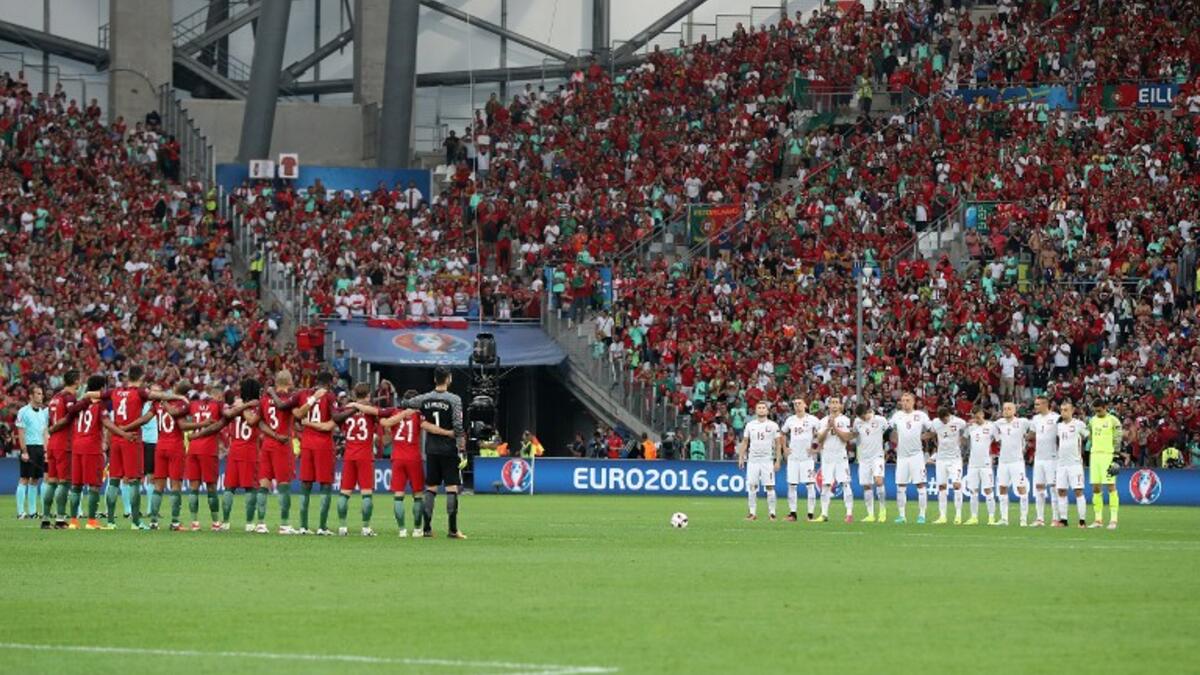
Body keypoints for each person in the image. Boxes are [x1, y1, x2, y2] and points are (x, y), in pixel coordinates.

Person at [105, 366, 187, 529]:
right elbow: (182, 424)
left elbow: (144, 417)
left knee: (117, 480)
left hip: (126, 437)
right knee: (142, 480)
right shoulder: (145, 395)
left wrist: (121, 429)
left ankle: (112, 521)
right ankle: (142, 521)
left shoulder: (118, 392)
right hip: (140, 440)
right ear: (141, 378)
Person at [395, 367, 467, 539]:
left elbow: (404, 404)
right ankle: (452, 530)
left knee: (431, 488)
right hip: (449, 449)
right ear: (449, 379)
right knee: (451, 488)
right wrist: (461, 446)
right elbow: (457, 425)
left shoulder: (425, 398)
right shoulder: (454, 399)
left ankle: (426, 528)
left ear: (435, 380)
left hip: (431, 449)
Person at [194, 380, 261, 532]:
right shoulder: (255, 408)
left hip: (234, 449)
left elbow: (225, 419)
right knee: (250, 488)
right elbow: (252, 421)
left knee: (229, 488)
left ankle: (225, 522)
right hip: (249, 450)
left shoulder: (233, 407)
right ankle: (250, 523)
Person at [69, 375, 132, 530]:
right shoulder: (100, 405)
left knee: (76, 485)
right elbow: (107, 423)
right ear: (102, 389)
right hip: (92, 448)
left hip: (77, 447)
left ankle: (73, 521)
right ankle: (91, 521)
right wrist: (124, 434)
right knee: (94, 485)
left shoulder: (81, 404)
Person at [332, 383, 383, 536]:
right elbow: (380, 421)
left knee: (344, 493)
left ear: (355, 394)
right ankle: (366, 528)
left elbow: (338, 422)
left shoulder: (346, 410)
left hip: (349, 455)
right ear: (368, 395)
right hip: (365, 455)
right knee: (366, 493)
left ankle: (342, 527)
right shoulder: (370, 411)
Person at [292, 372, 337, 535]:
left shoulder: (303, 394)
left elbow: (296, 414)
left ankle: (303, 526)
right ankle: (322, 527)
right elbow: (328, 426)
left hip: (307, 443)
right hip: (323, 445)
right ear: (329, 383)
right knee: (325, 485)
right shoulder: (330, 396)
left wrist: (306, 423)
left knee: (306, 484)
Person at [259, 370, 302, 534]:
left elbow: (261, 423)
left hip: (267, 444)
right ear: (289, 382)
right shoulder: (290, 400)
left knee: (264, 483)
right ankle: (284, 524)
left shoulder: (264, 399)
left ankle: (261, 523)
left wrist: (272, 434)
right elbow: (296, 414)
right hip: (282, 445)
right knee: (284, 485)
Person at [44, 370, 87, 528]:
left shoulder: (55, 397)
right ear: (76, 381)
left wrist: (52, 428)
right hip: (64, 443)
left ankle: (45, 518)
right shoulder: (69, 397)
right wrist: (85, 401)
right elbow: (70, 413)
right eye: (79, 380)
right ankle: (61, 519)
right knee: (64, 482)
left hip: (52, 443)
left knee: (51, 481)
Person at [147, 382, 191, 530]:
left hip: (160, 446)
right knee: (175, 486)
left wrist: (129, 427)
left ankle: (153, 521)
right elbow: (183, 425)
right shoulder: (182, 403)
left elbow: (145, 418)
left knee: (158, 486)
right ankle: (175, 522)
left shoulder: (160, 402)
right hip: (175, 447)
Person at [184, 383, 227, 531]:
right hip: (208, 449)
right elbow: (227, 416)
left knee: (193, 487)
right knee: (211, 487)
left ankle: (194, 523)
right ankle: (215, 523)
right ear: (219, 396)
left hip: (193, 448)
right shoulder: (218, 406)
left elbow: (183, 416)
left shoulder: (194, 404)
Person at [380, 389, 423, 537]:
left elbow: (384, 423)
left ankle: (402, 530)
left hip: (397, 457)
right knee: (417, 495)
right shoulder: (419, 415)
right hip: (414, 457)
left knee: (398, 495)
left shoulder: (394, 414)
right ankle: (417, 529)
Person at [888, 393, 931, 524]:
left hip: (916, 455)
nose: (905, 403)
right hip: (902, 456)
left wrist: (922, 437)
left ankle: (922, 515)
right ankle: (902, 515)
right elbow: (888, 430)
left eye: (907, 400)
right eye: (903, 400)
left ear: (913, 402)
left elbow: (933, 429)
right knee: (900, 485)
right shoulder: (897, 416)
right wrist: (893, 439)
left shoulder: (921, 415)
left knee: (920, 484)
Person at [736, 401, 781, 521]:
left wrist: (778, 460)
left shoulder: (773, 425)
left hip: (767, 460)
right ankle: (752, 513)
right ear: (756, 411)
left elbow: (778, 444)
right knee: (752, 486)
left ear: (767, 411)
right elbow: (745, 442)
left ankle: (772, 513)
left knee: (770, 486)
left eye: (763, 408)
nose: (761, 410)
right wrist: (741, 457)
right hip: (753, 460)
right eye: (759, 408)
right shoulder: (750, 425)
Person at [815, 397, 855, 523]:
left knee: (845, 483)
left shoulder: (845, 420)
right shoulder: (822, 421)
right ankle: (824, 514)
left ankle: (849, 513)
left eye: (837, 402)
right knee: (826, 485)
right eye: (832, 402)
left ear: (841, 406)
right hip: (827, 455)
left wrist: (835, 428)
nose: (834, 405)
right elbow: (819, 440)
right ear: (828, 406)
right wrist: (827, 427)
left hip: (840, 455)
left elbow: (846, 438)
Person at [991, 402, 1031, 527]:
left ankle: (1023, 519)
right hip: (1003, 461)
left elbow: (1033, 430)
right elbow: (996, 437)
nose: (1006, 410)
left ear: (1014, 411)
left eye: (1009, 409)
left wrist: (1026, 442)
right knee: (1002, 488)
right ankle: (1004, 518)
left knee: (1021, 488)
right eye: (1004, 409)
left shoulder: (1022, 422)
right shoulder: (998, 423)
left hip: (1017, 461)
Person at [781, 398, 820, 521]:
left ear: (805, 405)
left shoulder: (813, 420)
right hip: (793, 458)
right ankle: (793, 513)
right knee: (792, 485)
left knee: (810, 485)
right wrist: (785, 448)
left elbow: (821, 435)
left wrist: (815, 448)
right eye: (795, 404)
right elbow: (782, 433)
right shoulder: (790, 420)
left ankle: (810, 514)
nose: (797, 406)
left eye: (799, 404)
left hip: (807, 458)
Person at [928, 407, 967, 524]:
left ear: (949, 415)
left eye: (945, 419)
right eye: (942, 420)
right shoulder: (935, 422)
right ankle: (942, 516)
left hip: (955, 459)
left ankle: (958, 515)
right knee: (942, 487)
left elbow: (967, 428)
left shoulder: (959, 422)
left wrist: (962, 440)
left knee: (956, 485)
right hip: (941, 459)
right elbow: (931, 432)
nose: (943, 421)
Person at [15, 385, 48, 521]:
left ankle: (33, 511)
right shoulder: (23, 411)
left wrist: (45, 450)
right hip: (29, 447)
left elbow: (45, 432)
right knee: (24, 478)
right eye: (38, 394)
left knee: (35, 480)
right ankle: (21, 512)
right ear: (31, 396)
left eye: (41, 394)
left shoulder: (42, 412)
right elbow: (20, 433)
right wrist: (24, 451)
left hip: (40, 448)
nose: (41, 396)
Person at [1087, 400, 1122, 529]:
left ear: (1105, 407)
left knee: (1111, 486)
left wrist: (1116, 456)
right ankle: (1098, 519)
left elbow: (1118, 438)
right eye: (1095, 411)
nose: (1097, 413)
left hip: (1108, 456)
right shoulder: (1091, 421)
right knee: (1096, 488)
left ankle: (1113, 520)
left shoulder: (1113, 420)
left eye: (1099, 410)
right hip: (1095, 455)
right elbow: (1089, 436)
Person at [1054, 401, 1090, 528]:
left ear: (1072, 410)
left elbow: (1089, 437)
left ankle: (1082, 521)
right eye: (1062, 410)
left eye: (1066, 410)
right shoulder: (1058, 426)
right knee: (1061, 491)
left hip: (1075, 464)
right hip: (1061, 464)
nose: (1063, 412)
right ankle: (1063, 520)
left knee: (1078, 491)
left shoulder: (1079, 424)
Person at [852, 404, 888, 523]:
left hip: (877, 456)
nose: (862, 419)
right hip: (863, 458)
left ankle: (882, 511)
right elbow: (855, 435)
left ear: (868, 411)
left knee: (878, 481)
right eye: (860, 417)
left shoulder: (880, 420)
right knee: (866, 485)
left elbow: (888, 434)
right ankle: (870, 514)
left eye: (863, 416)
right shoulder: (857, 422)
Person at [1029, 396, 1060, 527]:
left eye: (1037, 405)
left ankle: (1055, 518)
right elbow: (1031, 435)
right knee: (1039, 488)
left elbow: (1062, 436)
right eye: (1035, 404)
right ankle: (1040, 518)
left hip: (1052, 458)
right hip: (1039, 458)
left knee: (1053, 488)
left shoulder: (1056, 418)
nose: (1035, 407)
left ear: (1045, 404)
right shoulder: (1035, 419)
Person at [964, 408, 997, 525]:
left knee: (988, 490)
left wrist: (994, 454)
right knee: (973, 491)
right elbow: (963, 439)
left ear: (982, 414)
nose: (976, 419)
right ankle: (974, 517)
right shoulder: (971, 427)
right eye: (974, 416)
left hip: (986, 463)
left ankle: (991, 518)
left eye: (978, 417)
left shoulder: (991, 426)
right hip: (973, 463)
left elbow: (998, 440)